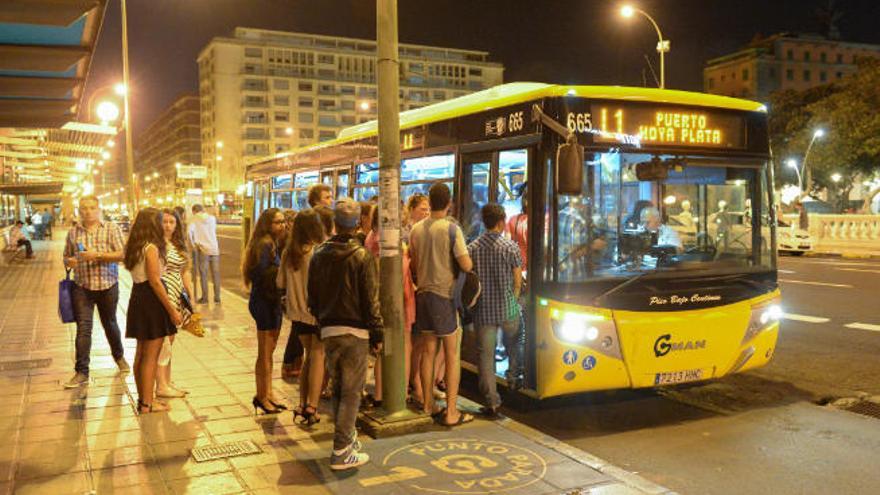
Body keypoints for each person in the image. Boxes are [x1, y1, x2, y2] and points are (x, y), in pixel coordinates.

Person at [308, 197, 383, 470]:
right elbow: (370, 300)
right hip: (355, 331)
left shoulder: (318, 253)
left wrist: (321, 321)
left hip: (329, 329)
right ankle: (341, 450)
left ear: (335, 223)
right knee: (352, 392)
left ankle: (346, 439)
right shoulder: (362, 256)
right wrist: (377, 335)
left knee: (339, 387)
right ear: (357, 224)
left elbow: (312, 297)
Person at [409, 182, 475, 427]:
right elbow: (466, 265)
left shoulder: (416, 229)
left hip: (422, 295)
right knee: (452, 353)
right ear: (449, 204)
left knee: (428, 351)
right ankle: (451, 413)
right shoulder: (450, 229)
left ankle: (427, 405)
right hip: (444, 296)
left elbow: (414, 265)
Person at [63, 195, 129, 388]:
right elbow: (66, 256)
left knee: (110, 323)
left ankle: (119, 357)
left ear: (98, 209)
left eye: (92, 207)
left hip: (108, 285)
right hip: (82, 286)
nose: (88, 211)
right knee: (84, 328)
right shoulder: (73, 232)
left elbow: (123, 254)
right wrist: (70, 261)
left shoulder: (111, 228)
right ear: (79, 210)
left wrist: (97, 255)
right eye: (84, 208)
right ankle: (81, 372)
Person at [124, 208, 182, 413]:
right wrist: (172, 310)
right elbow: (156, 282)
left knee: (141, 355)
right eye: (159, 221)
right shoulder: (151, 248)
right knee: (151, 356)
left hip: (138, 297)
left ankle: (143, 400)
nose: (162, 224)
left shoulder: (134, 246)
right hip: (151, 300)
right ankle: (148, 403)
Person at [468, 204, 523, 417]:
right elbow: (518, 281)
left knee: (486, 357)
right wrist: (513, 300)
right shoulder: (510, 247)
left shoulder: (472, 248)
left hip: (483, 312)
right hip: (507, 308)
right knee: (516, 339)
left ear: (484, 221)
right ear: (501, 222)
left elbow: (470, 281)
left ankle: (492, 402)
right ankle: (513, 377)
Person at [278, 209, 326, 425]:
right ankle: (311, 407)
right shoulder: (316, 252)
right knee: (318, 356)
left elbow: (280, 283)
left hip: (296, 314)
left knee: (308, 356)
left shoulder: (289, 252)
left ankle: (301, 402)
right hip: (314, 313)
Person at [242, 208, 287, 414]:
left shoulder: (271, 243)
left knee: (269, 351)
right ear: (267, 224)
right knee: (265, 352)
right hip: (264, 302)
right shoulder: (265, 244)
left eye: (283, 221)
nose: (282, 225)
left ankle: (268, 393)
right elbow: (258, 274)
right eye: (278, 222)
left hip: (270, 302)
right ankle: (262, 395)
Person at [156, 209, 195, 399]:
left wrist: (190, 296)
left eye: (172, 222)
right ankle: (161, 385)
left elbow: (185, 271)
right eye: (165, 222)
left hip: (177, 294)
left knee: (170, 340)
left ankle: (167, 381)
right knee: (163, 341)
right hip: (164, 294)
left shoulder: (178, 244)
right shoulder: (156, 245)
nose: (168, 225)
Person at [188, 204, 221, 304]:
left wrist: (193, 245)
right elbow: (213, 230)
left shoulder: (194, 219)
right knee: (216, 274)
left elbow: (189, 232)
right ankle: (217, 298)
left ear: (194, 211)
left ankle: (205, 298)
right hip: (214, 248)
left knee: (204, 274)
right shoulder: (212, 218)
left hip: (203, 249)